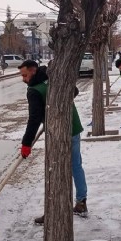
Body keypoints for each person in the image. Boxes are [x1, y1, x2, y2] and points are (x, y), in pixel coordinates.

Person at [17, 60, 88, 224]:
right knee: (76, 165)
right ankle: (81, 201)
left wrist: (26, 143)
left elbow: (34, 119)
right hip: (73, 126)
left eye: (25, 75)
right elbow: (74, 91)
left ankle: (53, 209)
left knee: (54, 169)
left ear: (33, 71)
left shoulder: (34, 90)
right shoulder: (53, 77)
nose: (23, 79)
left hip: (57, 132)